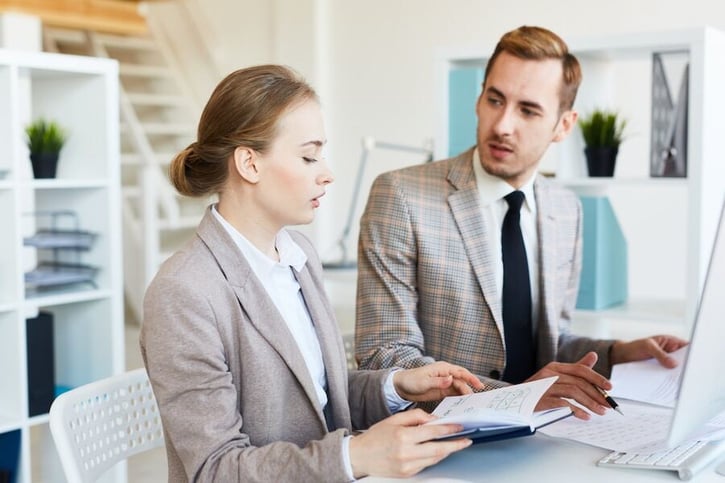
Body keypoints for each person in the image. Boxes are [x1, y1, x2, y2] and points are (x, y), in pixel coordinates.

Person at [139, 64, 486, 483]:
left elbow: (319, 398)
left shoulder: (298, 255)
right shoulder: (184, 292)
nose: (327, 172)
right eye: (309, 155)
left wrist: (396, 386)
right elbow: (215, 469)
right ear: (249, 163)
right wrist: (353, 456)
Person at [355, 25, 687, 420]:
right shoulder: (401, 196)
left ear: (564, 125)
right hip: (440, 438)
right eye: (495, 100)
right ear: (479, 98)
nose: (502, 125)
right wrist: (516, 396)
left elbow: (546, 344)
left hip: (544, 431)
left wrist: (618, 355)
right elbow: (385, 356)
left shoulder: (567, 210)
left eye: (528, 110)